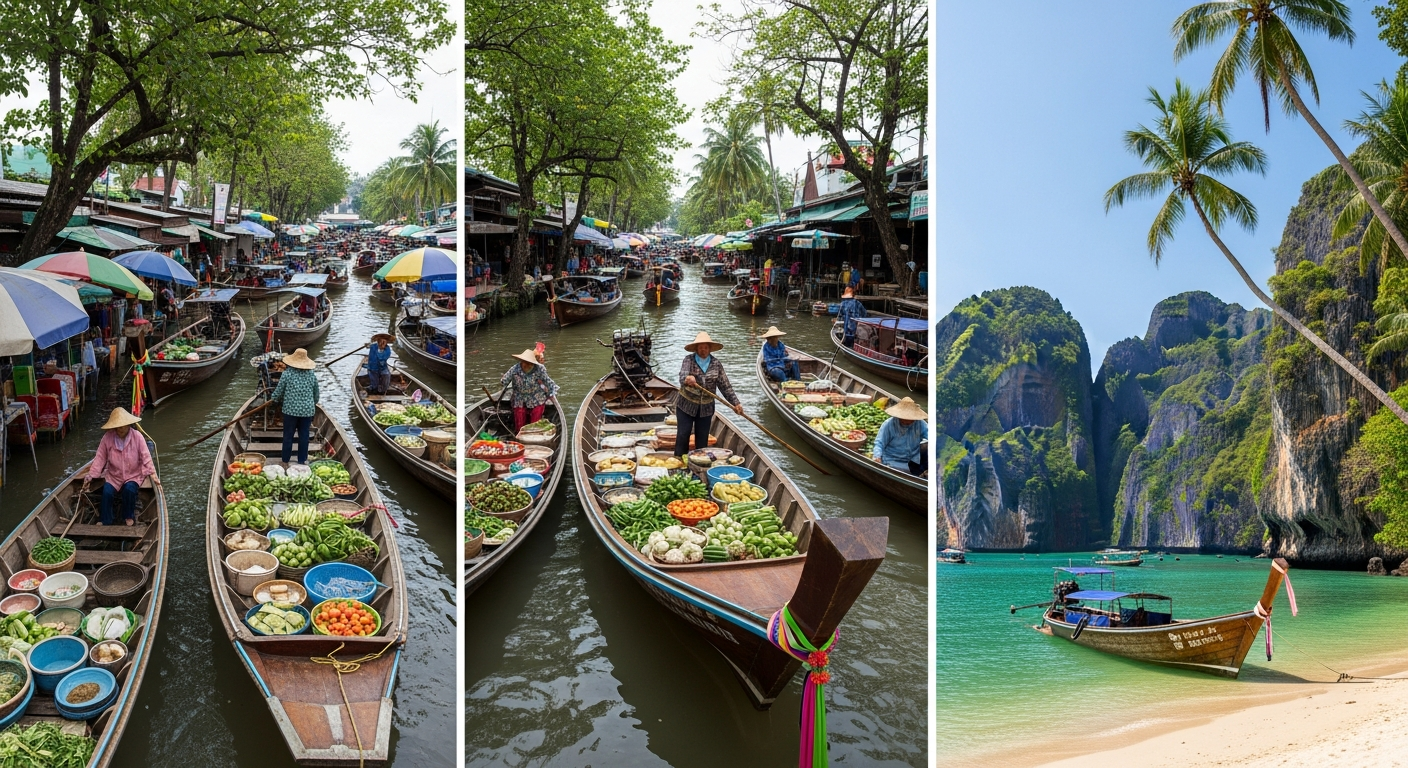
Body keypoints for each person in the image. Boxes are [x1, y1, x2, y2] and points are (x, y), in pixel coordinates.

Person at [81, 408, 160, 526]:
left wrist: (153, 475)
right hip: (114, 475)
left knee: (129, 490)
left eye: (123, 426)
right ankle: (105, 519)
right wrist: (91, 476)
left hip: (133, 474)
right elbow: (100, 458)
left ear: (128, 425)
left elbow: (146, 456)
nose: (120, 429)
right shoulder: (107, 438)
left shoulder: (137, 436)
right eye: (118, 426)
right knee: (107, 492)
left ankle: (128, 516)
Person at [674, 332, 743, 456]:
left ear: (710, 349)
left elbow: (725, 386)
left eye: (706, 347)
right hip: (686, 406)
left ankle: (699, 466)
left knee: (702, 441)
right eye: (700, 347)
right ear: (696, 348)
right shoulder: (688, 360)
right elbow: (682, 376)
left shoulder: (716, 364)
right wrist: (687, 379)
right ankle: (679, 462)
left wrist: (736, 403)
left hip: (706, 408)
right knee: (683, 435)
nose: (703, 350)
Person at [270, 348, 320, 466]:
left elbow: (279, 392)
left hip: (290, 411)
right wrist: (312, 404)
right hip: (307, 411)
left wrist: (274, 399)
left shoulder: (287, 374)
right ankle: (302, 460)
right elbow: (316, 395)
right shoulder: (312, 375)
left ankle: (285, 461)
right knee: (304, 436)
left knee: (288, 436)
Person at [500, 349, 559, 431]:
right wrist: (503, 380)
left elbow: (550, 384)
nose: (525, 365)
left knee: (535, 423)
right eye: (524, 362)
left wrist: (552, 394)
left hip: (536, 397)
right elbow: (504, 381)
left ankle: (534, 433)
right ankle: (520, 434)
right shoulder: (514, 369)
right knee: (520, 420)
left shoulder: (540, 369)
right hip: (520, 398)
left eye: (528, 363)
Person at [872, 397, 928, 475]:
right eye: (904, 418)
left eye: (910, 418)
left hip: (913, 459)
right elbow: (879, 443)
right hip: (893, 461)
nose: (907, 421)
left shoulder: (920, 424)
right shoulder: (889, 424)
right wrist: (877, 456)